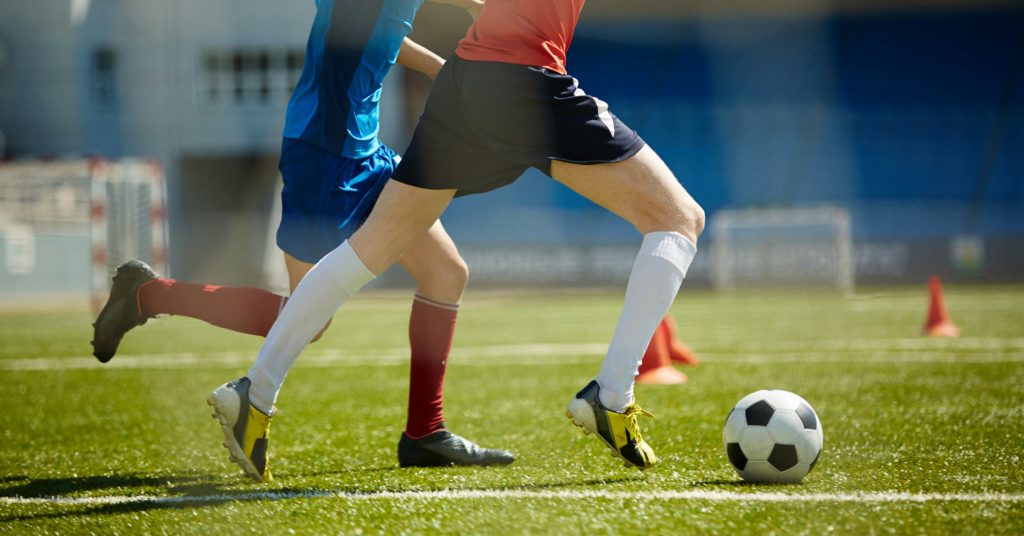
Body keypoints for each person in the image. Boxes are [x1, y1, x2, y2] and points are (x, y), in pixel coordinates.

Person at [214, 0, 704, 476]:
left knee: (374, 248)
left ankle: (255, 391)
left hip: (466, 83)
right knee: (680, 219)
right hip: (525, 83)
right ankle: (612, 396)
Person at [93, 0, 514, 482]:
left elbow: (381, 31)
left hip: (366, 150)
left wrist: (441, 66)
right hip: (324, 152)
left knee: (446, 273)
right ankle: (147, 295)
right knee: (308, 318)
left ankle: (425, 432)